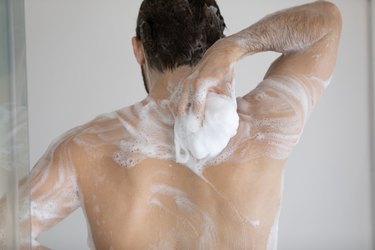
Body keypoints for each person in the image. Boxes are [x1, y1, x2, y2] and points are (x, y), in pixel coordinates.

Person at [23, 0, 342, 249]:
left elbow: (5, 234)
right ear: (219, 42)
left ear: (138, 49)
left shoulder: (84, 149)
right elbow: (327, 20)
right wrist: (238, 47)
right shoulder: (264, 125)